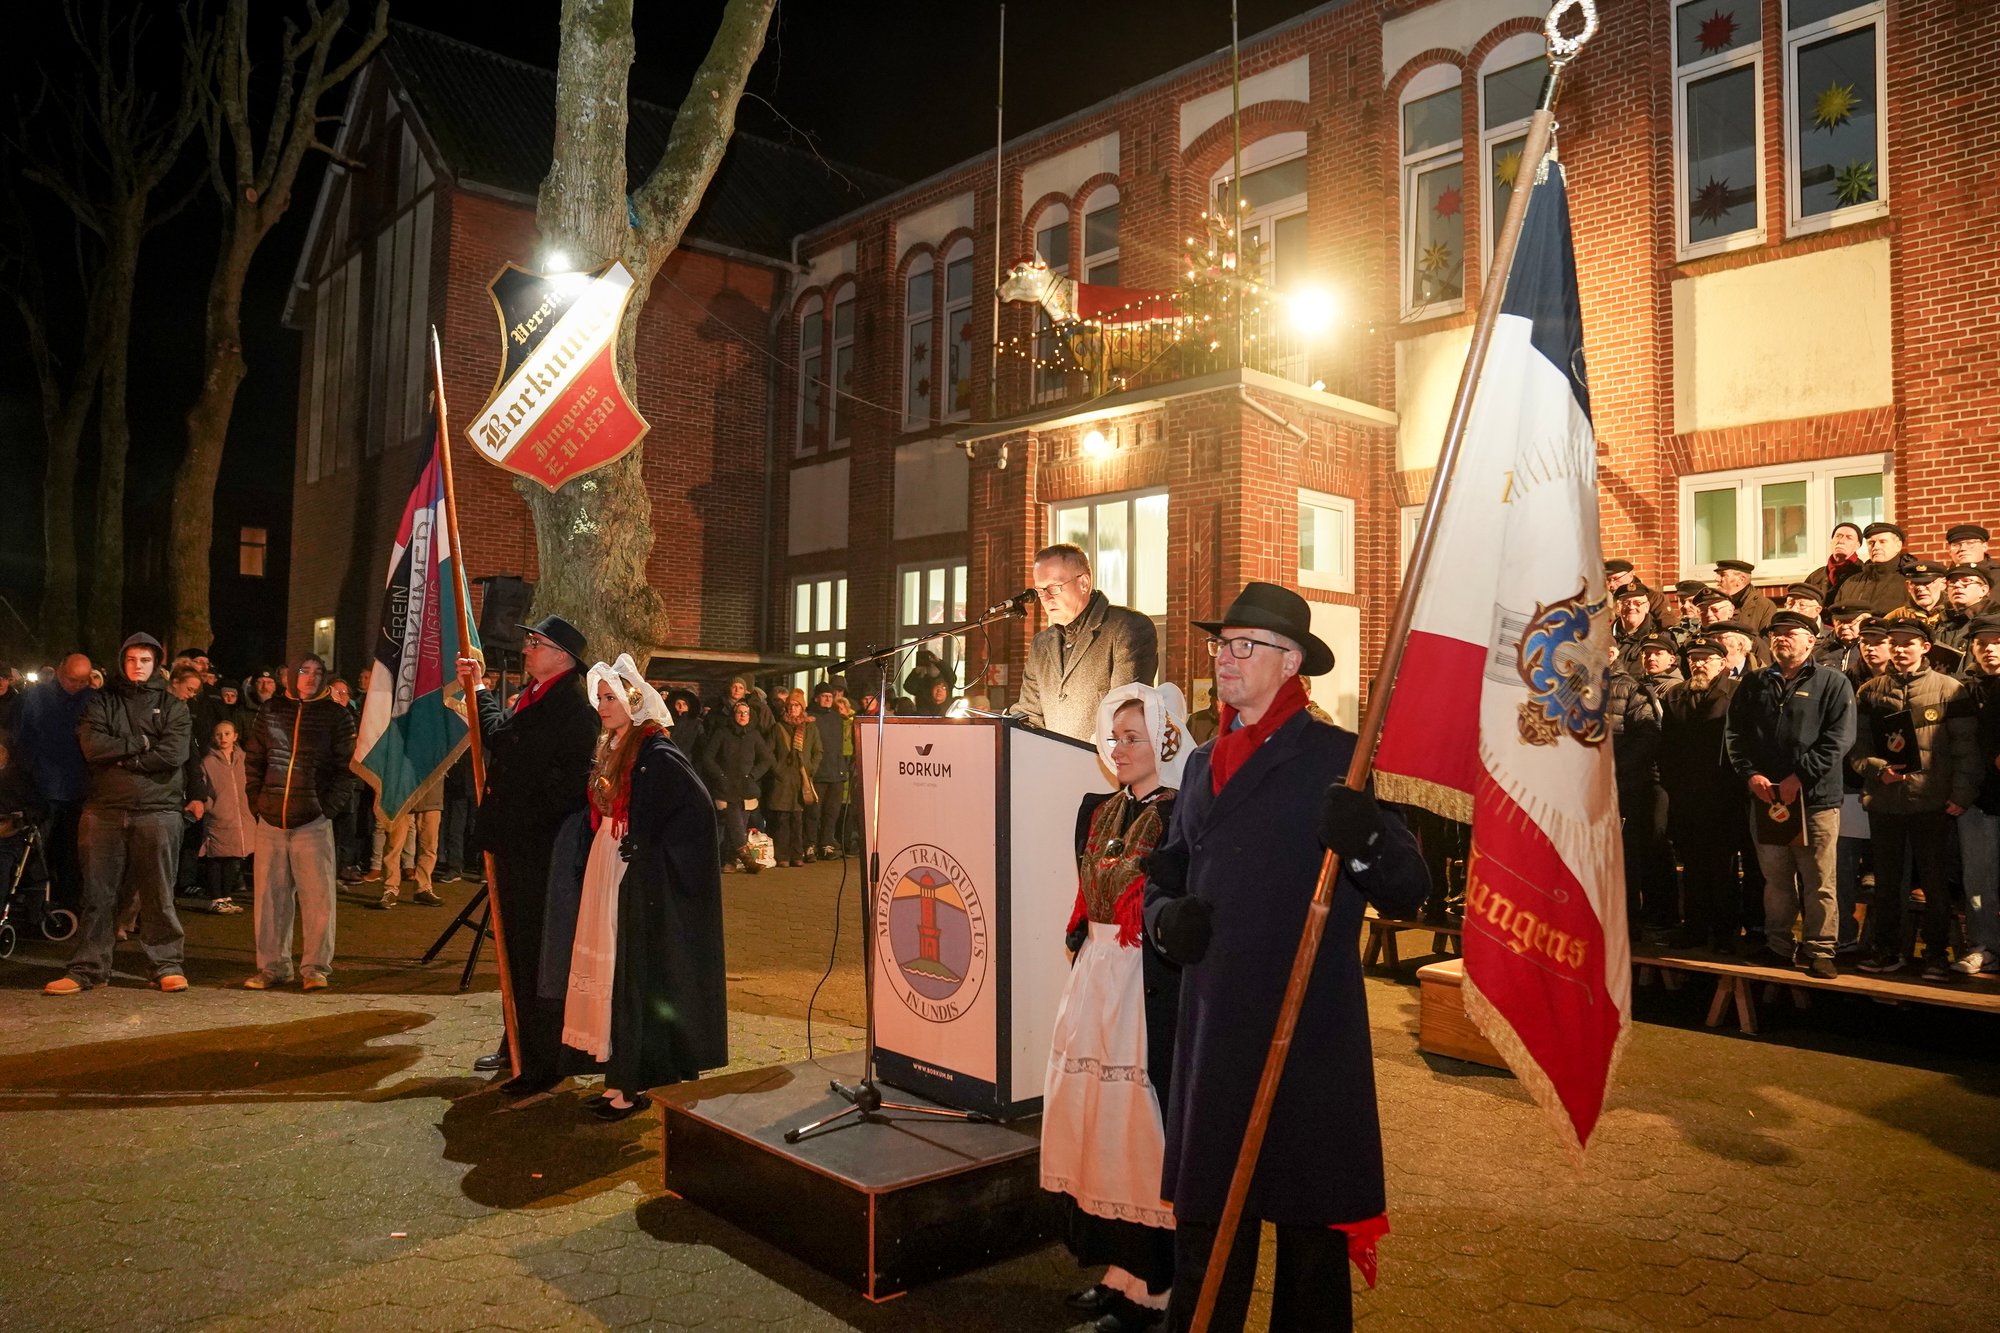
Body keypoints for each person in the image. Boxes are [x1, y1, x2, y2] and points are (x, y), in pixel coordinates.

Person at [1141, 583, 1426, 1332]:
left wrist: (1363, 834)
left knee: (1308, 1245)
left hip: (1305, 1036)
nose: (1222, 661)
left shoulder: (1340, 757)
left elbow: (1408, 886)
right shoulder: (1202, 762)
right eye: (1219, 645)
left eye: (1242, 646)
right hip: (1214, 1037)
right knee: (1209, 1231)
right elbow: (1165, 874)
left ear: (1291, 660)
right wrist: (1169, 923)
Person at [1046, 682, 1188, 1333]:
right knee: (1100, 1124)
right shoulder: (1095, 809)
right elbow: (1087, 894)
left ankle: (1154, 1283)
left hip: (1143, 984)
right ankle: (1118, 1269)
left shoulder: (1182, 813)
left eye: (1133, 736)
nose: (1119, 746)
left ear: (1163, 737)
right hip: (1098, 978)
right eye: (1113, 735)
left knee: (1138, 1128)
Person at [545, 655, 727, 1121]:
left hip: (631, 876)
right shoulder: (615, 746)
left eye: (612, 697)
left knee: (628, 973)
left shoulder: (655, 752)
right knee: (609, 974)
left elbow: (697, 814)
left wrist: (648, 844)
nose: (603, 705)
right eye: (600, 698)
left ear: (634, 700)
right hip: (608, 865)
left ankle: (632, 1083)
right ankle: (616, 1079)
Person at [457, 615, 598, 1093]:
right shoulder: (532, 698)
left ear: (563, 657)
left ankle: (541, 1060)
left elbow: (559, 784)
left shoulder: (573, 711)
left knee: (537, 954)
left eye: (536, 643)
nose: (527, 649)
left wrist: (524, 822)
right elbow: (501, 738)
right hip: (517, 846)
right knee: (514, 951)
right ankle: (515, 1039)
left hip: (541, 855)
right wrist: (477, 689)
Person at [44, 633, 192, 996]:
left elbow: (172, 754)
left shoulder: (174, 706)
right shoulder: (100, 702)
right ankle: (88, 967)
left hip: (158, 810)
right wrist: (139, 744)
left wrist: (122, 758)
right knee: (98, 893)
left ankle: (166, 964)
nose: (137, 666)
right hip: (104, 810)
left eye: (144, 660)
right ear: (122, 661)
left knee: (158, 893)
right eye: (131, 660)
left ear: (156, 662)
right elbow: (92, 746)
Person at [1722, 611, 1856, 978]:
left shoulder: (1833, 683)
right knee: (1776, 880)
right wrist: (1751, 775)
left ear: (1811, 641)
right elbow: (1735, 736)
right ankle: (1779, 946)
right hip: (1767, 800)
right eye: (1776, 634)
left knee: (1819, 880)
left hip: (1815, 800)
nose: (1781, 638)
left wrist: (1801, 776)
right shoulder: (1754, 684)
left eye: (1790, 633)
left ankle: (1820, 949)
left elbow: (1839, 740)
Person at [1852, 621, 1980, 979]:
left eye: (1908, 644)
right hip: (1886, 803)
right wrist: (1878, 770)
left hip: (1932, 802)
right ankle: (1886, 951)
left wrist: (1960, 795)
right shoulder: (1870, 691)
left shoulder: (1950, 690)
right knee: (1888, 883)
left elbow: (1966, 750)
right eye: (1894, 643)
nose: (1900, 650)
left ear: (1925, 647)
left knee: (1936, 884)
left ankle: (1937, 955)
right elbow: (1858, 748)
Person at [240, 653, 356, 991]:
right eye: (305, 671)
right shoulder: (271, 711)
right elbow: (255, 760)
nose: (311, 677)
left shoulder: (337, 716)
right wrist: (257, 803)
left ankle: (315, 968)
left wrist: (327, 808)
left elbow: (346, 770)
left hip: (312, 821)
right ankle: (273, 967)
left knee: (318, 899)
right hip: (272, 819)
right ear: (291, 675)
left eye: (318, 672)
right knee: (269, 898)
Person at [1012, 543, 1160, 742]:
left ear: (1084, 583)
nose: (1045, 598)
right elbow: (1028, 714)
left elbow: (1125, 714)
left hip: (1102, 767)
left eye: (1054, 588)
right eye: (1039, 590)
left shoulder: (1127, 628)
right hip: (1050, 767)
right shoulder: (1041, 644)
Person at [1658, 638, 1743, 950]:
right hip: (1687, 797)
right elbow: (1666, 747)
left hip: (1723, 796)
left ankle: (1724, 932)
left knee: (1722, 867)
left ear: (1722, 663)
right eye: (1694, 658)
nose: (1699, 663)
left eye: (1707, 658)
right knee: (1693, 867)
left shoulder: (1736, 692)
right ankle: (1694, 927)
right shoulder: (1676, 694)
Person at [13, 653, 94, 909]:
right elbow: (20, 739)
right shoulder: (36, 697)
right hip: (41, 788)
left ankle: (67, 904)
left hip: (78, 790)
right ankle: (35, 905)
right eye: (71, 679)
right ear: (60, 671)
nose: (75, 686)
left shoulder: (93, 701)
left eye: (82, 681)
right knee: (36, 852)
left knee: (71, 854)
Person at [1949, 616, 2000, 975]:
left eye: (1997, 641)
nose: (1989, 649)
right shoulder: (1962, 689)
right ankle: (1985, 946)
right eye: (1981, 642)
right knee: (1978, 880)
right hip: (1977, 800)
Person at [1607, 644, 1667, 939]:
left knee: (1623, 859)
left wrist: (1612, 770)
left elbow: (1648, 736)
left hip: (1622, 789)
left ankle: (1626, 924)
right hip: (1579, 791)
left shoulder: (1632, 689)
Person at [699, 698, 776, 874]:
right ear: (734, 715)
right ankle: (749, 862)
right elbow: (708, 758)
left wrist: (753, 775)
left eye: (746, 713)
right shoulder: (722, 733)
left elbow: (767, 759)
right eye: (739, 712)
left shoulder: (754, 735)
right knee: (736, 826)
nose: (743, 716)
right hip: (726, 788)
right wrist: (721, 776)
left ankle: (729, 862)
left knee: (738, 826)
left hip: (746, 788)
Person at [197, 719, 252, 914]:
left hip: (240, 818)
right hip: (219, 817)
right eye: (219, 734)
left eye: (227, 734)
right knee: (215, 858)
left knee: (233, 858)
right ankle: (216, 897)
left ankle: (227, 896)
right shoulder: (208, 762)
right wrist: (211, 807)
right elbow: (202, 789)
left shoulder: (244, 759)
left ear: (235, 736)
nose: (223, 738)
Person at [765, 694, 823, 867]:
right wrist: (778, 770)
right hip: (783, 780)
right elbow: (769, 752)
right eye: (790, 705)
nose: (793, 708)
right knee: (782, 820)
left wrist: (810, 769)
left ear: (802, 708)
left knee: (798, 820)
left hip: (801, 779)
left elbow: (818, 751)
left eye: (796, 705)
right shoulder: (778, 727)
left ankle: (797, 854)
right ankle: (782, 856)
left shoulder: (810, 728)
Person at [372, 773, 445, 909]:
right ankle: (390, 888)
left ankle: (423, 888)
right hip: (403, 788)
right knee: (394, 843)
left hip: (431, 786)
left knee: (429, 844)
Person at [1831, 523, 1914, 616]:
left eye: (1882, 542)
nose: (1876, 547)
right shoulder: (1851, 583)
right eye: (1871, 543)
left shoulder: (1911, 582)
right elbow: (1838, 617)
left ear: (1898, 546)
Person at [807, 683, 847, 860]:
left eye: (830, 696)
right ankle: (810, 844)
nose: (828, 699)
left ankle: (826, 844)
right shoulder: (810, 717)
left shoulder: (837, 719)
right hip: (818, 773)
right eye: (824, 696)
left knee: (832, 812)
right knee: (813, 812)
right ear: (816, 698)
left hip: (836, 773)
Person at [1803, 521, 1865, 602]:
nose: (1841, 541)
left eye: (1849, 538)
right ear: (1831, 541)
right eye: (1838, 536)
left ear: (1857, 545)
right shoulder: (1815, 577)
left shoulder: (1864, 574)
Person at [1610, 583, 1658, 677]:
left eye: (1637, 603)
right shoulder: (1602, 639)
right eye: (1626, 603)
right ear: (1618, 608)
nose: (1631, 607)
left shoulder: (1659, 637)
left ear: (1647, 607)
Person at [1715, 559, 1774, 632]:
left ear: (1741, 579)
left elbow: (1767, 641)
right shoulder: (1714, 605)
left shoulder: (1765, 607)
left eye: (1722, 575)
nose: (1716, 579)